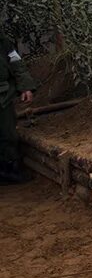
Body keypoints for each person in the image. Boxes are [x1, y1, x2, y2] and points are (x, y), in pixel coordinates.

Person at [0, 28, 37, 184]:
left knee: (7, 134)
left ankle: (8, 170)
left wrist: (25, 86)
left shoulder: (2, 39)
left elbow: (15, 61)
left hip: (3, 95)